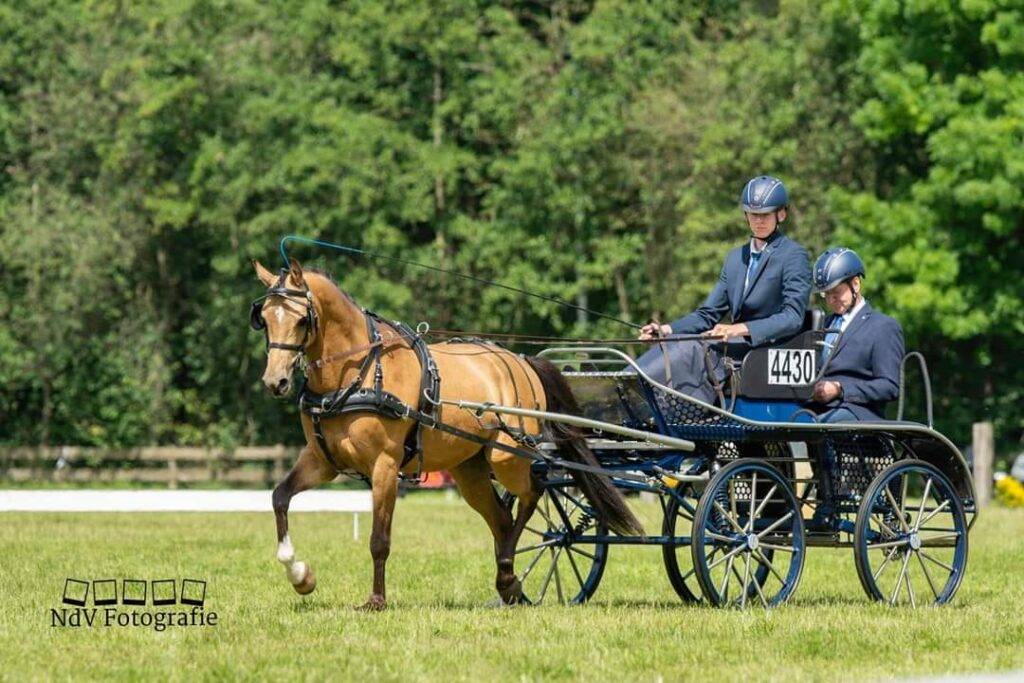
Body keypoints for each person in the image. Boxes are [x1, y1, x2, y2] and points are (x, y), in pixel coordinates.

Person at [634, 175, 811, 399]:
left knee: (693, 348)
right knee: (676, 341)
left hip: (766, 353)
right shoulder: (736, 258)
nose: (758, 220)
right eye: (753, 214)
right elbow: (708, 314)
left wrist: (740, 328)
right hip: (733, 348)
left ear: (781, 214)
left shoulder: (793, 255)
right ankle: (625, 385)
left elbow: (792, 317)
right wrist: (666, 329)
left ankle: (633, 392)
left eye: (765, 214)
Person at [809, 247, 904, 422]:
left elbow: (889, 386)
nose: (830, 301)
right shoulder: (822, 324)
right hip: (816, 408)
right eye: (826, 294)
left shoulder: (883, 326)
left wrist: (840, 388)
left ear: (855, 284)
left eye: (836, 292)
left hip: (858, 412)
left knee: (818, 425)